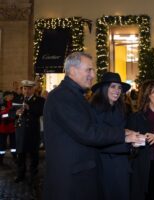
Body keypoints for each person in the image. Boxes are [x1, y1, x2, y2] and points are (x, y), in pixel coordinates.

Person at [43, 52, 140, 200]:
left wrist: (124, 132)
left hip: (80, 177)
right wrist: (123, 135)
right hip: (70, 181)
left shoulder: (75, 96)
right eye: (89, 70)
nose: (93, 75)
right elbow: (87, 132)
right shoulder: (62, 96)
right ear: (73, 71)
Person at [89, 72, 137, 200]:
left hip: (121, 166)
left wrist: (134, 140)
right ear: (104, 88)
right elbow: (97, 141)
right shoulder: (93, 110)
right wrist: (126, 140)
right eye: (113, 86)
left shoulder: (120, 109)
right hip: (103, 167)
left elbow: (119, 132)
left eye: (119, 88)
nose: (117, 91)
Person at [13, 80, 45, 183]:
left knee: (33, 155)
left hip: (32, 132)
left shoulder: (39, 100)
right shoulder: (18, 98)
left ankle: (33, 175)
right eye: (25, 89)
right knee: (20, 154)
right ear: (22, 89)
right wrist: (15, 113)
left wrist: (29, 108)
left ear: (33, 89)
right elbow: (10, 113)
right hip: (20, 132)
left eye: (29, 89)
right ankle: (20, 174)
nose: (26, 91)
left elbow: (41, 111)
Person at [0, 91, 16, 165]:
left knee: (13, 144)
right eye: (10, 95)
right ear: (6, 97)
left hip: (12, 127)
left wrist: (12, 115)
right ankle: (1, 158)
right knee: (2, 145)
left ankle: (15, 157)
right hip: (3, 128)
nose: (12, 96)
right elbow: (2, 116)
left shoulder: (13, 104)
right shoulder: (2, 105)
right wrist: (10, 114)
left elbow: (15, 115)